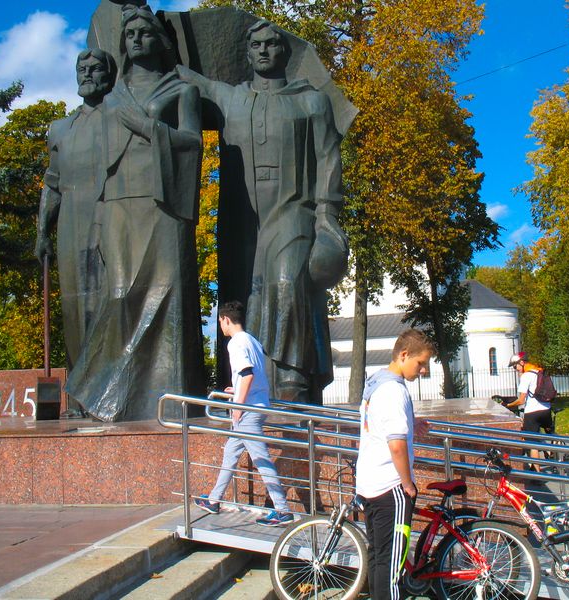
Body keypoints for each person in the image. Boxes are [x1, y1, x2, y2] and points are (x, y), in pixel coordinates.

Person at [179, 20, 348, 405]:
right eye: (256, 45)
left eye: (272, 44)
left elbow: (328, 159)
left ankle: (292, 379)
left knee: (287, 280)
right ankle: (246, 380)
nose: (264, 50)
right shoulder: (231, 98)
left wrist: (327, 215)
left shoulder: (310, 100)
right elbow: (186, 80)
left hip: (294, 209)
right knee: (245, 298)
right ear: (247, 53)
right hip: (243, 218)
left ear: (284, 51)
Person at [64, 4, 205, 421]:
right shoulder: (112, 99)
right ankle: (104, 394)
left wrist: (148, 128)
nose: (137, 40)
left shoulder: (181, 90)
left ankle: (170, 398)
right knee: (120, 294)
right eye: (130, 36)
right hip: (120, 203)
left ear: (160, 42)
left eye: (145, 33)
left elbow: (193, 143)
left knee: (166, 294)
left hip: (163, 203)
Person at [35, 48, 117, 415]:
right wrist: (42, 232)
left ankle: (107, 396)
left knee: (104, 306)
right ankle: (80, 399)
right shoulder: (60, 128)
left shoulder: (119, 120)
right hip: (70, 225)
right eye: (81, 68)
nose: (87, 73)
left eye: (95, 68)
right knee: (73, 309)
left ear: (109, 76)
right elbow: (51, 184)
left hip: (110, 221)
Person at [195, 300, 293, 527]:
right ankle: (214, 500)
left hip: (248, 411)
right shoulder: (252, 340)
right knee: (230, 453)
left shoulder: (235, 343)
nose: (220, 327)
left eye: (220, 322)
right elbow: (251, 375)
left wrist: (238, 406)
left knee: (261, 458)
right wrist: (236, 388)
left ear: (226, 320)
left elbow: (247, 375)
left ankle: (282, 509)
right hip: (256, 405)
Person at [356, 329, 435, 600]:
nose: (423, 370)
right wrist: (407, 484)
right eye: (420, 363)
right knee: (392, 568)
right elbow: (397, 445)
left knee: (379, 559)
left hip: (370, 485)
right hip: (390, 488)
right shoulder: (393, 391)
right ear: (404, 355)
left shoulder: (377, 383)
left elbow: (379, 424)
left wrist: (411, 423)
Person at [505, 352, 553, 471]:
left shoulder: (526, 376)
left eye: (515, 366)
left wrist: (509, 405)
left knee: (532, 443)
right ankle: (555, 453)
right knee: (550, 433)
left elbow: (521, 400)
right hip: (546, 409)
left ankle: (536, 471)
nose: (515, 369)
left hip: (533, 413)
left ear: (521, 362)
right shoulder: (539, 371)